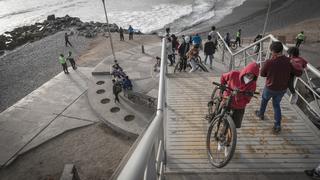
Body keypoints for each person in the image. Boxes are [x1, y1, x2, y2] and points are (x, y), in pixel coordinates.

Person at [255, 41, 300, 134]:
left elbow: (262, 74)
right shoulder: (289, 61)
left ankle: (261, 114)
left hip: (270, 87)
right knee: (276, 105)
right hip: (282, 89)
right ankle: (277, 125)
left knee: (264, 100)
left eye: (271, 51)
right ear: (281, 50)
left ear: (274, 52)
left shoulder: (270, 62)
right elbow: (297, 72)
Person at [218, 62, 260, 155]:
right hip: (227, 101)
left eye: (252, 76)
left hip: (239, 107)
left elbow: (247, 100)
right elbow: (223, 77)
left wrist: (239, 95)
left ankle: (227, 145)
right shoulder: (234, 74)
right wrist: (222, 89)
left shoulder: (252, 85)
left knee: (233, 128)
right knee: (225, 124)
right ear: (245, 71)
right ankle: (221, 140)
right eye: (248, 74)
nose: (249, 78)